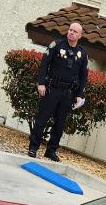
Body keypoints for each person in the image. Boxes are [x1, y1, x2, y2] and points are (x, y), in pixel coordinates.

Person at [28, 22, 88, 162]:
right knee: (42, 119)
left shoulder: (82, 54)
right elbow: (44, 64)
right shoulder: (57, 45)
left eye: (75, 31)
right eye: (70, 30)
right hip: (52, 88)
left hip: (67, 93)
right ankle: (33, 147)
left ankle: (51, 151)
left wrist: (80, 95)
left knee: (60, 124)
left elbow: (83, 76)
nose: (71, 33)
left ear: (80, 35)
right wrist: (41, 83)